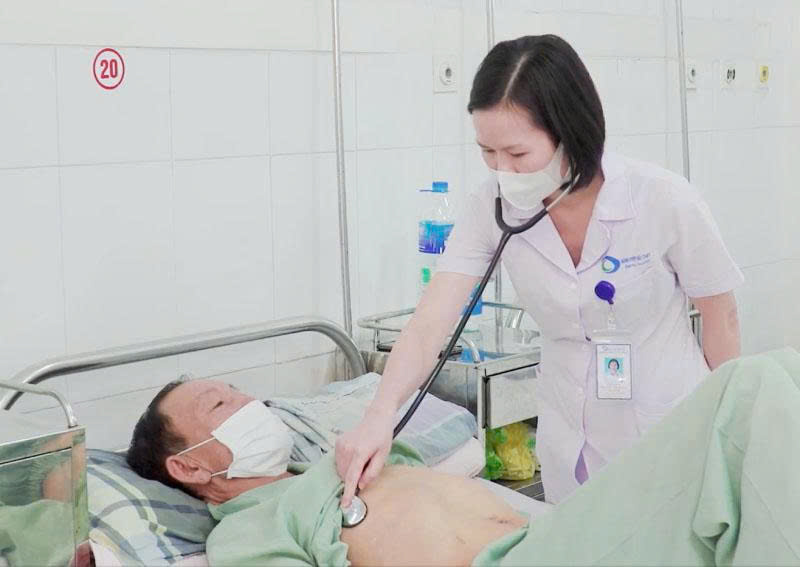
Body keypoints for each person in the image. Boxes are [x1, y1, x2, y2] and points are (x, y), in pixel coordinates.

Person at [336, 34, 743, 506]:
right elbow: (430, 324)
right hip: (569, 444)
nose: (502, 171)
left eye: (518, 154)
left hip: (671, 431)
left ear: (570, 131)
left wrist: (730, 431)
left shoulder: (663, 199)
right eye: (487, 152)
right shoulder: (490, 206)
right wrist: (380, 416)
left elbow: (722, 318)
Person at [126, 350, 800, 566]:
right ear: (189, 466)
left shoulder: (342, 460)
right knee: (749, 389)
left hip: (553, 537)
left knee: (781, 374)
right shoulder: (250, 528)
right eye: (221, 404)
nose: (249, 402)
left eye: (240, 391)